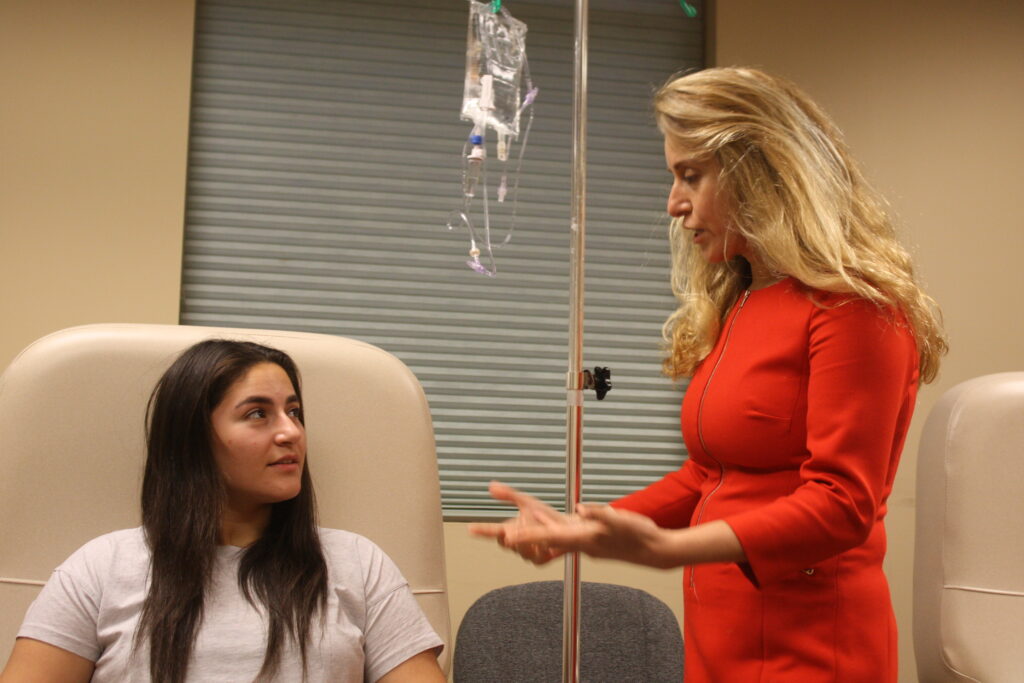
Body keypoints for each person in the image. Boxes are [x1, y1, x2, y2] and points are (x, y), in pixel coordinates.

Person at [470, 66, 947, 682]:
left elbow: (842, 503)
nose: (674, 204)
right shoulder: (744, 300)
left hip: (811, 645)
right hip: (723, 632)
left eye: (690, 175)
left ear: (760, 170)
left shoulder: (855, 307)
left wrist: (670, 550)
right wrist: (584, 525)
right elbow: (708, 476)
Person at [1, 340, 445, 683]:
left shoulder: (358, 564)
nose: (291, 432)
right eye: (258, 414)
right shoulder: (100, 569)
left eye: (294, 412)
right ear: (193, 439)